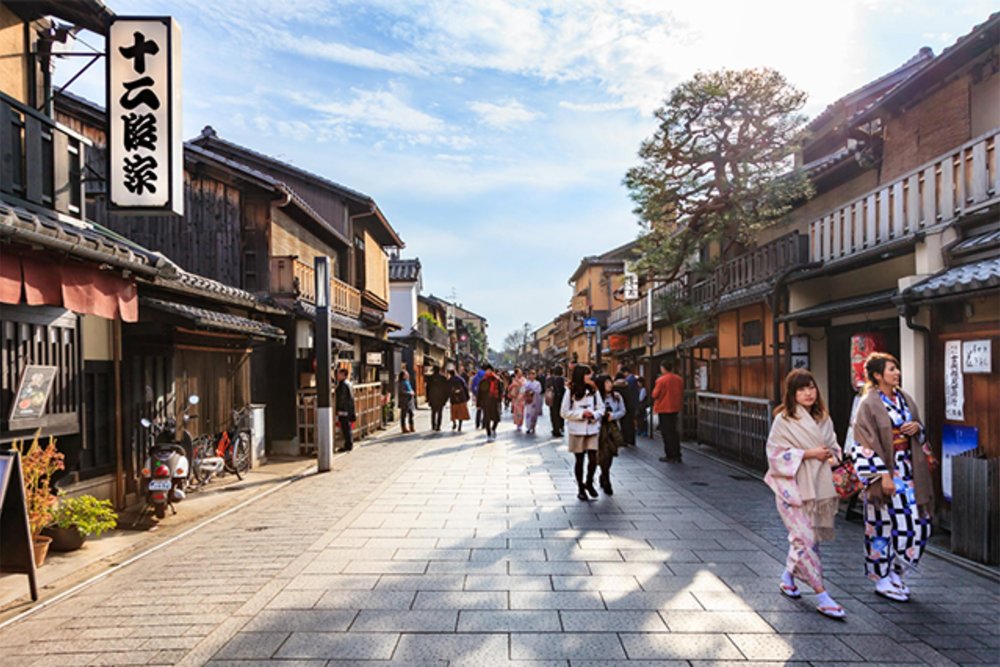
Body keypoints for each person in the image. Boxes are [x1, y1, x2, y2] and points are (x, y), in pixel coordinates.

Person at [850, 352, 933, 603]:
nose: (896, 372)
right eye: (891, 369)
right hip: (884, 471)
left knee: (920, 525)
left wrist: (917, 428)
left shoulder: (905, 398)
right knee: (882, 525)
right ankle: (881, 579)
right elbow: (861, 442)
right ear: (877, 375)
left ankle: (898, 571)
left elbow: (919, 429)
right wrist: (882, 474)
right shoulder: (868, 404)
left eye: (896, 368)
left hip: (909, 470)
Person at [764, 369, 846, 620]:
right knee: (807, 539)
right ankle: (822, 594)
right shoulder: (784, 420)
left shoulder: (823, 418)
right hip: (792, 488)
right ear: (792, 393)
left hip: (818, 487)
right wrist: (809, 454)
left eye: (811, 387)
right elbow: (774, 455)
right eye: (801, 389)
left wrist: (830, 456)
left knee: (804, 540)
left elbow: (835, 448)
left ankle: (788, 578)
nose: (808, 393)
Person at [561, 364, 604, 501]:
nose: (590, 377)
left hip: (592, 429)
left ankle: (589, 482)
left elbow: (601, 408)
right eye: (587, 374)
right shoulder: (570, 391)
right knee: (579, 460)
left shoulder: (594, 390)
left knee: (593, 459)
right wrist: (581, 414)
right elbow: (564, 412)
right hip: (577, 430)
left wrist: (594, 414)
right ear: (580, 375)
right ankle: (580, 487)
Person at [597, 375, 626, 495]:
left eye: (610, 382)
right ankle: (606, 479)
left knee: (610, 453)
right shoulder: (596, 397)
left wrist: (612, 416)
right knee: (602, 453)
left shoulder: (617, 397)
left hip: (612, 429)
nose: (610, 384)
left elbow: (623, 411)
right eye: (607, 382)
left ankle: (604, 474)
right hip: (599, 429)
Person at [653, 361, 684, 462]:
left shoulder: (661, 380)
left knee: (666, 433)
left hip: (664, 408)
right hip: (675, 407)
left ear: (663, 368)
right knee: (674, 432)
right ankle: (677, 454)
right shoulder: (679, 379)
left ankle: (670, 454)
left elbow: (655, 394)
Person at [476, 364, 503, 442]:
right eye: (487, 370)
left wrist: (500, 399)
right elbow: (479, 393)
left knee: (496, 419)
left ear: (492, 371)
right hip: (486, 403)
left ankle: (493, 429)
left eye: (489, 370)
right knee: (487, 419)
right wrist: (478, 404)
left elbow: (501, 391)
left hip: (495, 402)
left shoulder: (497, 380)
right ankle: (488, 434)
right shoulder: (483, 381)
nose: (488, 372)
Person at [334, 367, 356, 451]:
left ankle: (348, 445)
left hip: (344, 410)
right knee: (347, 427)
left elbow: (342, 399)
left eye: (339, 374)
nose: (337, 375)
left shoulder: (343, 385)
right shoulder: (349, 383)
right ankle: (348, 444)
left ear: (343, 375)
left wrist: (339, 410)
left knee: (345, 427)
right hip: (348, 409)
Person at [618, 366, 639, 447]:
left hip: (629, 404)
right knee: (630, 422)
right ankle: (631, 440)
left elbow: (628, 392)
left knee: (628, 423)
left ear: (626, 372)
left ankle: (628, 440)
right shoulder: (633, 379)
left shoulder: (629, 380)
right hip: (633, 404)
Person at [425, 366, 449, 432]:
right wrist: (446, 398)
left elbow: (427, 389)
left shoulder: (430, 378)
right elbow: (446, 389)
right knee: (440, 412)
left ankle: (433, 425)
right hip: (441, 398)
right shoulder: (443, 378)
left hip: (432, 397)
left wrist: (427, 398)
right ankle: (438, 426)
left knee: (433, 412)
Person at [522, 369, 544, 434]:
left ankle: (533, 427)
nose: (531, 376)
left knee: (534, 415)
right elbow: (522, 390)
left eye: (533, 375)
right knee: (528, 414)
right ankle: (528, 427)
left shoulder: (537, 383)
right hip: (529, 400)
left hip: (535, 400)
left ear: (535, 376)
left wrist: (533, 391)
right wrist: (527, 391)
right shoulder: (526, 383)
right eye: (530, 375)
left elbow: (539, 390)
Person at [547, 365, 566, 437]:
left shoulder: (549, 378)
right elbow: (562, 390)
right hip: (558, 399)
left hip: (551, 398)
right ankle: (558, 430)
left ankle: (554, 429)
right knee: (558, 414)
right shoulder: (561, 379)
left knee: (553, 414)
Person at [470, 365, 486, 429]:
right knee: (485, 410)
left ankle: (477, 424)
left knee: (478, 410)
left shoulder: (475, 377)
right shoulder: (486, 376)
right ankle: (484, 424)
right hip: (485, 396)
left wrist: (475, 394)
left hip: (478, 395)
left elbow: (472, 387)